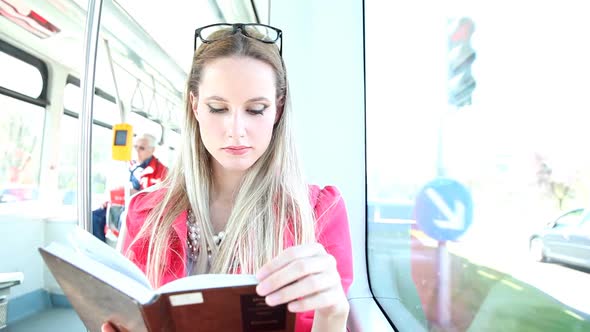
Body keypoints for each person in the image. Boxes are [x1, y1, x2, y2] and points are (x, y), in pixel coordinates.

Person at [102, 23, 353, 332]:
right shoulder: (144, 215)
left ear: (278, 109)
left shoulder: (318, 213)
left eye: (256, 110)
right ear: (195, 106)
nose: (235, 129)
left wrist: (333, 315)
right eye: (218, 108)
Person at [91, 133, 168, 242]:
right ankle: (100, 251)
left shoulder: (162, 171)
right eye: (135, 147)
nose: (137, 151)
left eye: (142, 148)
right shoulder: (127, 166)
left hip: (140, 210)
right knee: (94, 217)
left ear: (152, 150)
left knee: (124, 218)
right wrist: (109, 200)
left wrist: (137, 193)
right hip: (119, 205)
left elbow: (160, 200)